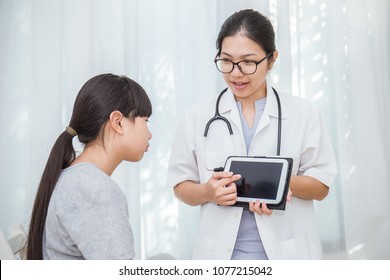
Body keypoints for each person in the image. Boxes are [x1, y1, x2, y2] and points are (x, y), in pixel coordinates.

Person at [167, 9, 337, 260]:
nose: (236, 72)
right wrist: (209, 193)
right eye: (226, 60)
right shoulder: (197, 116)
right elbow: (181, 185)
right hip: (220, 257)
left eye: (248, 61)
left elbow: (321, 186)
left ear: (272, 59)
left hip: (288, 255)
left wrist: (274, 183)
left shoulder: (304, 114)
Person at [26, 73, 152, 259]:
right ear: (118, 122)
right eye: (146, 121)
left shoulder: (74, 179)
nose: (149, 134)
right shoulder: (93, 188)